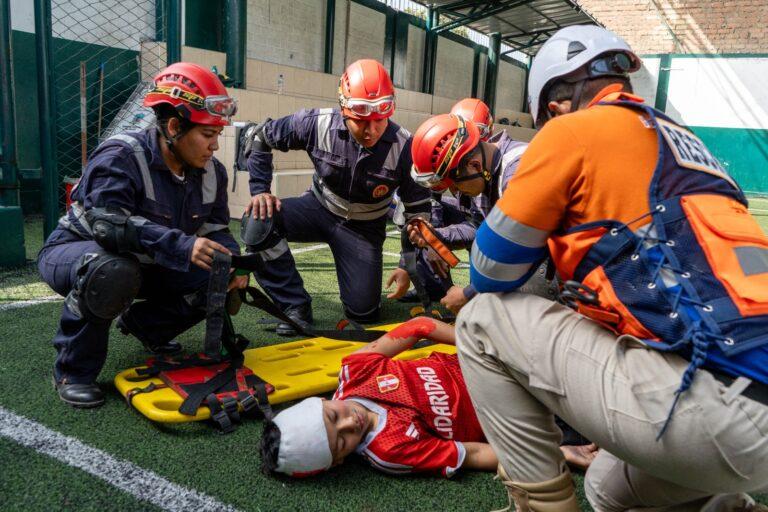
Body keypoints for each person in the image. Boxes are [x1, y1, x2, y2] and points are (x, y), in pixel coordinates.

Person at [455, 25, 768, 511]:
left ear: (556, 103)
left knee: (480, 322)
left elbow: (489, 271)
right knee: (609, 487)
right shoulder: (692, 145)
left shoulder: (572, 130)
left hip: (715, 404)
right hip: (743, 405)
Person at [38, 62, 247, 408]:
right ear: (175, 126)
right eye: (208, 136)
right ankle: (73, 372)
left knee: (220, 270)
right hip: (77, 253)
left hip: (147, 261)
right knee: (113, 271)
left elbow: (217, 229)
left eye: (216, 135)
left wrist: (234, 262)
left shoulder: (213, 173)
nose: (214, 146)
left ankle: (147, 328)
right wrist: (182, 244)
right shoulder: (120, 155)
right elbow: (109, 226)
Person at [259, 317, 598, 478]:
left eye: (334, 416)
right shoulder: (390, 452)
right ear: (338, 461)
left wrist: (487, 348)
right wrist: (560, 453)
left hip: (503, 364)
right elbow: (476, 453)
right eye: (342, 441)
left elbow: (419, 326)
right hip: (521, 419)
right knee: (609, 436)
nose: (351, 422)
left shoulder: (356, 371)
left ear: (321, 402)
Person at [241, 59, 431, 335]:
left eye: (380, 120)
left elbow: (417, 213)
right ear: (344, 109)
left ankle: (360, 301)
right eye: (361, 121)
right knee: (258, 220)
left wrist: (407, 265)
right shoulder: (315, 124)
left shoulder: (405, 147)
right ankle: (294, 306)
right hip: (317, 208)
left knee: (363, 312)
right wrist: (260, 191)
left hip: (363, 230)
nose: (372, 131)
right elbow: (260, 138)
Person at [387, 108, 529, 314]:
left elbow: (520, 250)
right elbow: (478, 228)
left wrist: (471, 293)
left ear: (474, 164)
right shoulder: (483, 172)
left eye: (454, 185)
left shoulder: (518, 173)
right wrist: (436, 236)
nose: (454, 192)